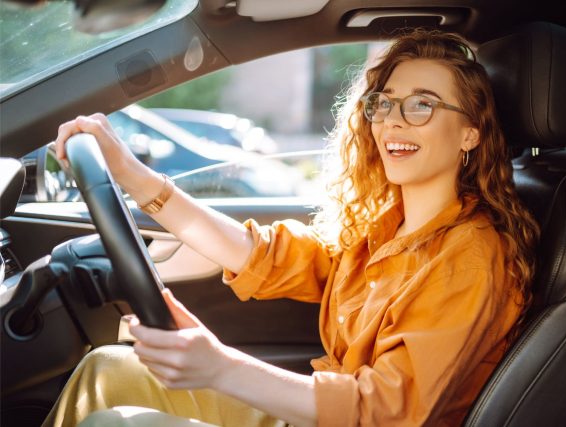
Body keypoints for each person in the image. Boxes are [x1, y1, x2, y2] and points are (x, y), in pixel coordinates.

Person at [42, 29, 539, 427]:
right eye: (384, 103)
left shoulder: (471, 254)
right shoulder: (382, 230)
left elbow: (389, 413)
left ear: (470, 132)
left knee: (116, 422)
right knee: (104, 370)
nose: (393, 122)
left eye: (422, 104)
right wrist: (132, 174)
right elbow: (261, 255)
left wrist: (221, 366)